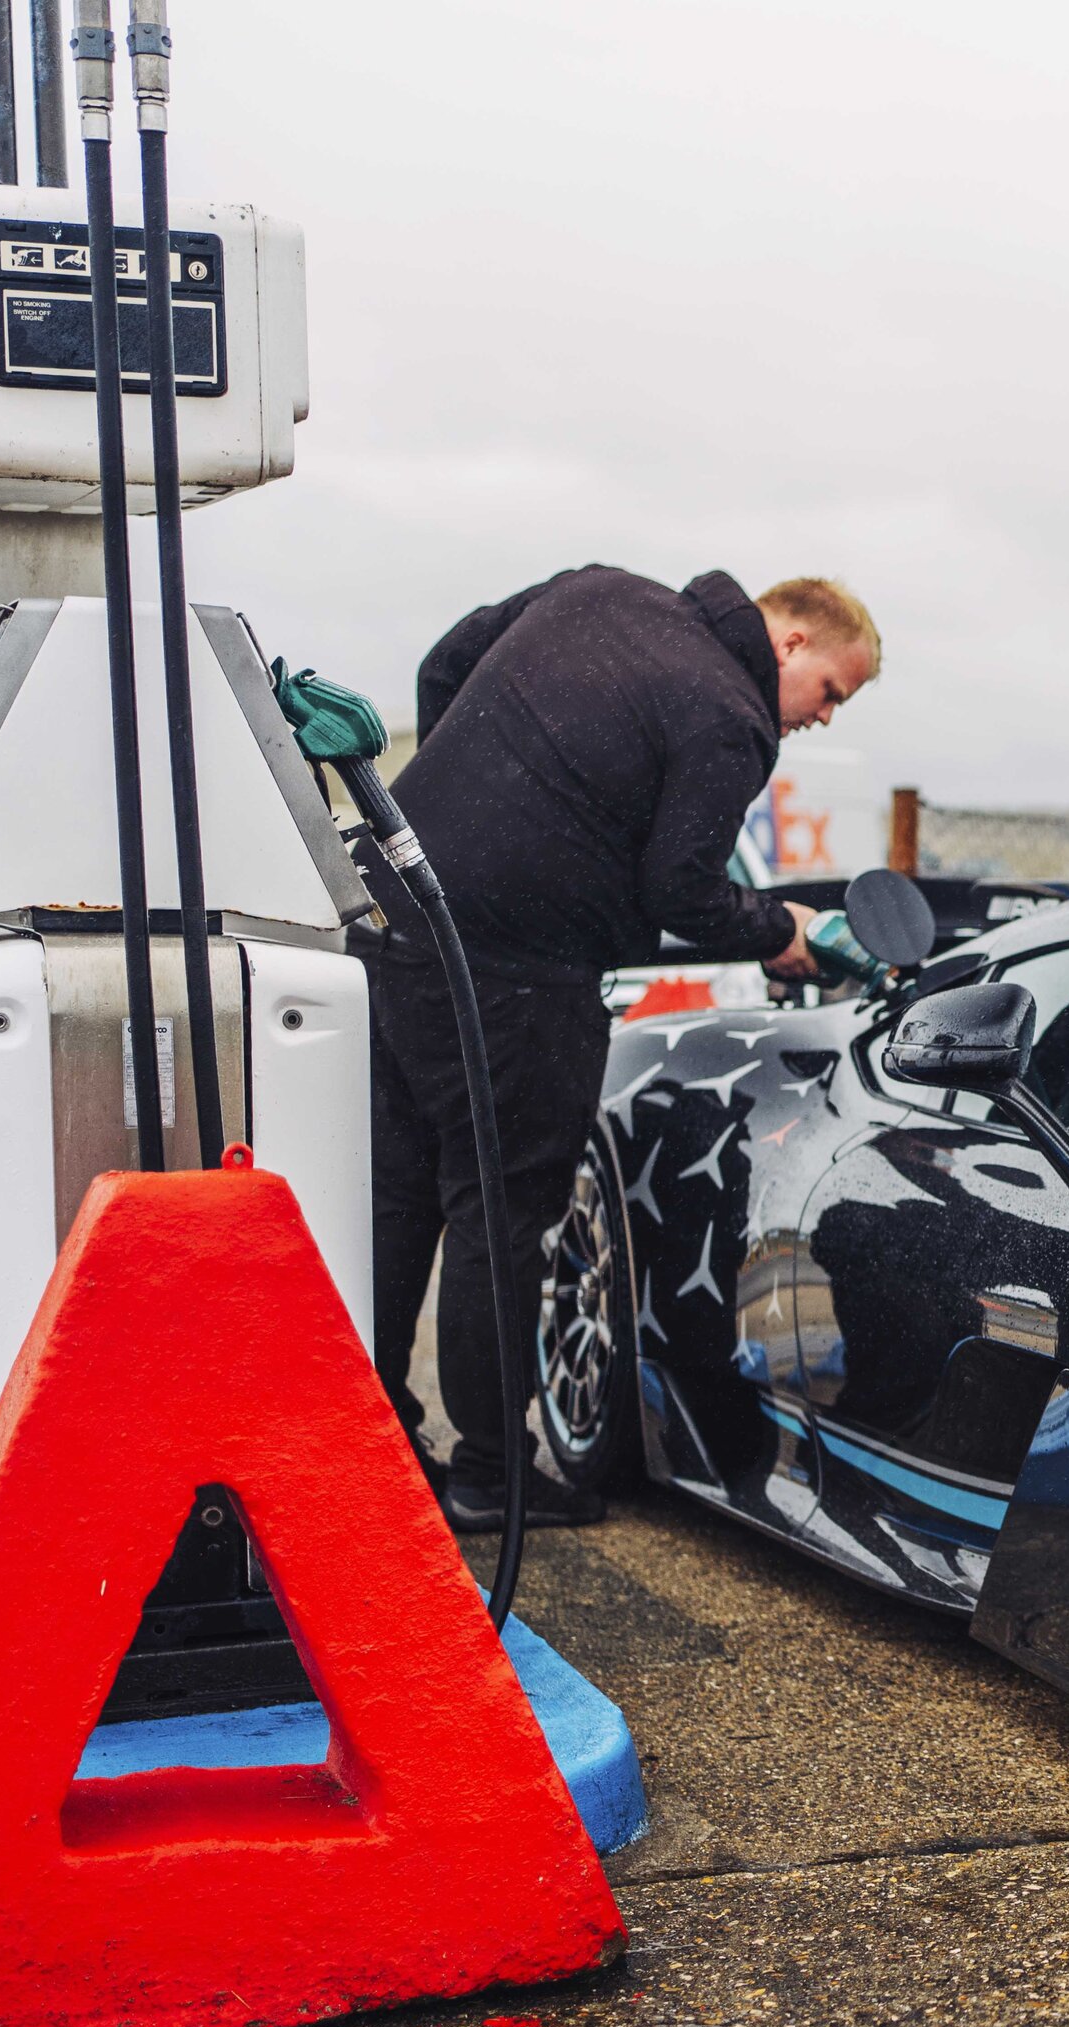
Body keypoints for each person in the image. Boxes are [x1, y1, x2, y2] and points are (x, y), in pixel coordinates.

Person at [366, 567, 878, 1529]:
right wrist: (784, 931)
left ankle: (373, 1449)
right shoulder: (732, 717)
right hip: (521, 972)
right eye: (830, 694)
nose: (821, 717)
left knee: (395, 1200)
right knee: (500, 1216)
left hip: (395, 920)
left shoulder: (598, 590)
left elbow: (445, 662)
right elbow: (681, 890)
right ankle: (489, 1475)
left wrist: (462, 827)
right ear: (792, 644)